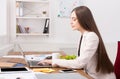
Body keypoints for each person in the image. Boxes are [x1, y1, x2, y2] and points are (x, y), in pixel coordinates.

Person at [38, 6, 116, 79]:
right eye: (71, 19)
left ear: (83, 19)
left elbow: (79, 63)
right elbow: (80, 60)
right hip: (88, 75)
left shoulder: (92, 37)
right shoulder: (83, 35)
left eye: (74, 19)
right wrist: (55, 61)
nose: (71, 22)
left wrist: (54, 61)